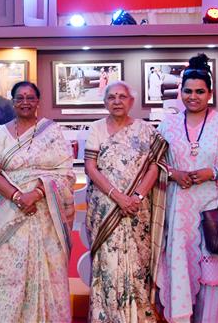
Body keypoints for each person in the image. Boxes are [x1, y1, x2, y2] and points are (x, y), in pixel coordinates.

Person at [156, 53, 218, 323]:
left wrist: (214, 172)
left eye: (200, 91)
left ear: (210, 93)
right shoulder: (168, 126)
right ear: (180, 92)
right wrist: (173, 173)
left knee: (212, 280)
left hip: (216, 213)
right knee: (179, 273)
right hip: (179, 216)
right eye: (188, 91)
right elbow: (154, 165)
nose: (193, 97)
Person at [0, 81, 75, 322]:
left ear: (38, 101)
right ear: (13, 102)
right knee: (7, 275)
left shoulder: (52, 132)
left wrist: (36, 194)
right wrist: (17, 196)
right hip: (9, 212)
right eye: (20, 97)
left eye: (30, 97)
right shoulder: (1, 133)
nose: (25, 102)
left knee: (49, 273)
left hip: (46, 214)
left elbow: (65, 171)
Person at [84, 81, 167, 322]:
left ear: (131, 101)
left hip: (136, 209)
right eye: (112, 97)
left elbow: (155, 166)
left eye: (122, 97)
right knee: (107, 265)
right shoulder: (97, 129)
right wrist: (118, 197)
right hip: (106, 208)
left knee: (137, 264)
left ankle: (137, 316)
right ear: (105, 102)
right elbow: (91, 167)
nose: (117, 101)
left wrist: (137, 196)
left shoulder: (146, 131)